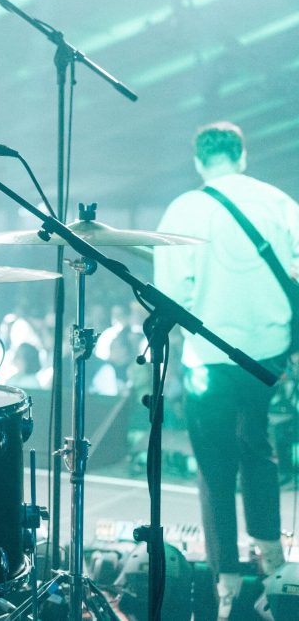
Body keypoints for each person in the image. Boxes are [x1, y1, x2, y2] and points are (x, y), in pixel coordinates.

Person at [154, 121, 298, 619]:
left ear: (199, 161)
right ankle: (274, 566)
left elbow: (170, 295)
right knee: (258, 449)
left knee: (214, 465)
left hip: (209, 356)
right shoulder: (279, 203)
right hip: (268, 353)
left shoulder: (184, 209)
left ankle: (226, 582)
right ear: (242, 155)